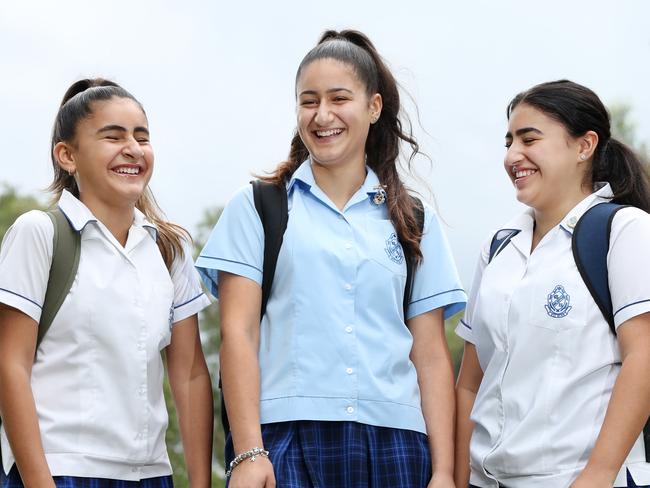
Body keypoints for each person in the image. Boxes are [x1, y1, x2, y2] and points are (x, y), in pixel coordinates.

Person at [196, 29, 466, 488]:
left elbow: (432, 355)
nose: (322, 115)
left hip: (397, 442)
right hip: (284, 438)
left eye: (339, 98)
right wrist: (248, 451)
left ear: (373, 107)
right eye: (308, 101)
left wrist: (443, 472)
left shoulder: (414, 219)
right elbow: (237, 334)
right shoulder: (259, 207)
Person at [0, 79, 213, 487]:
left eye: (142, 136)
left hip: (151, 475)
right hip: (60, 470)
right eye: (113, 137)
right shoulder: (39, 233)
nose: (133, 148)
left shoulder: (170, 250)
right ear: (67, 155)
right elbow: (10, 365)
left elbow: (189, 374)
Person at [454, 80, 650, 488]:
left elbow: (643, 357)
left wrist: (598, 474)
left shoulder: (624, 230)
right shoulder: (498, 247)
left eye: (530, 139)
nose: (512, 156)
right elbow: (471, 383)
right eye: (508, 141)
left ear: (584, 145)